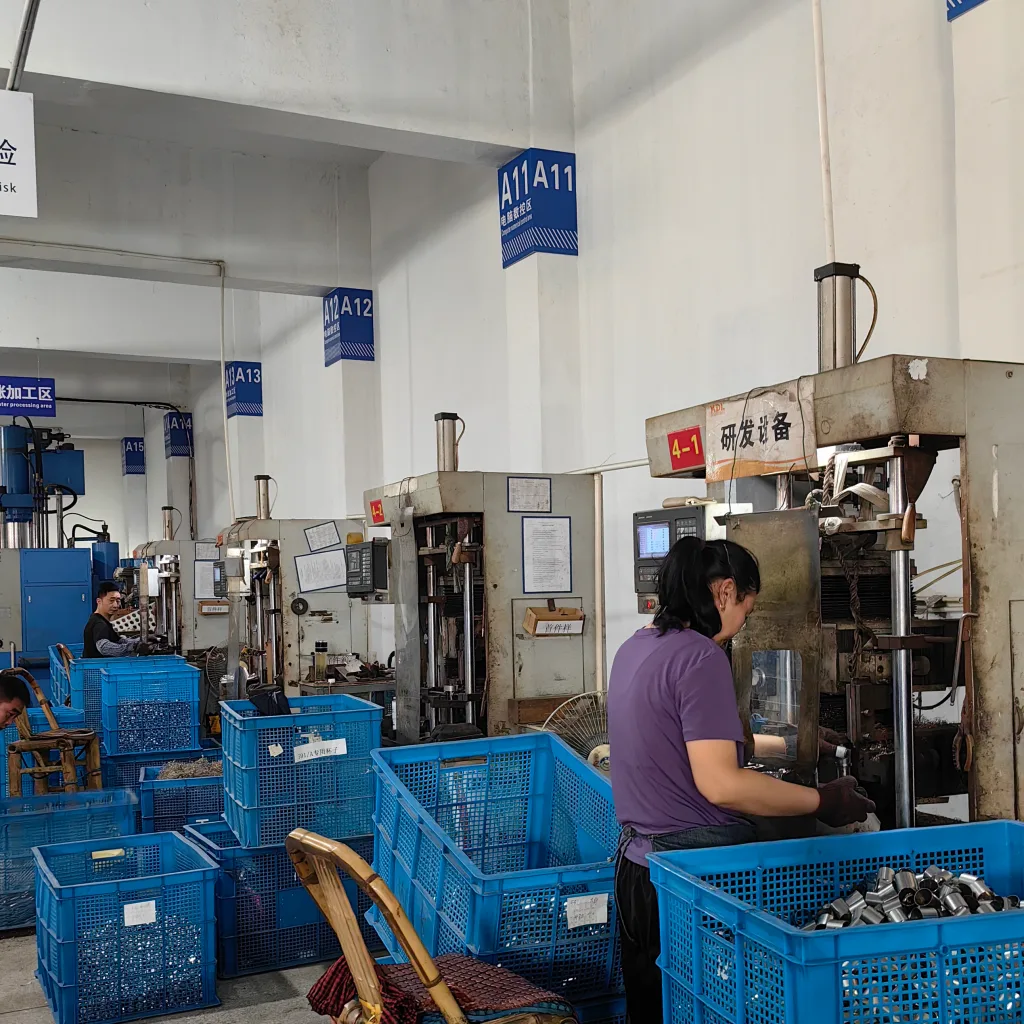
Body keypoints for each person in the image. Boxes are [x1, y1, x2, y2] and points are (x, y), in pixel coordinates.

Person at [608, 537, 874, 1023]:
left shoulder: (636, 648)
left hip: (638, 874)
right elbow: (722, 785)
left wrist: (795, 743)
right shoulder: (700, 656)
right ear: (726, 591)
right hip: (693, 881)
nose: (741, 625)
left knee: (657, 1012)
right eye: (747, 611)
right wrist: (823, 801)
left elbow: (692, 743)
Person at [83, 582, 153, 658]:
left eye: (118, 601)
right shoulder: (99, 623)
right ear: (99, 601)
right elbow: (104, 647)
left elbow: (119, 641)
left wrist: (142, 640)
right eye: (111, 600)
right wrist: (132, 647)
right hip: (99, 665)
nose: (115, 605)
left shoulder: (101, 621)